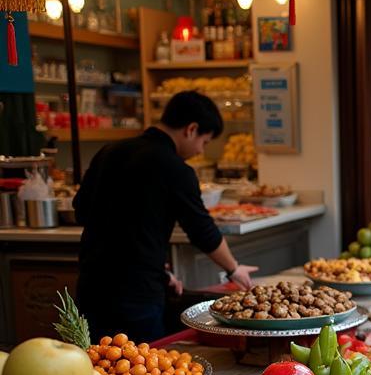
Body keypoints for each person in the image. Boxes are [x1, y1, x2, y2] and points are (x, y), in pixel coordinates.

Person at [75, 90, 257, 342]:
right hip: (137, 296)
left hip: (91, 287)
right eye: (204, 142)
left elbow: (82, 210)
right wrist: (234, 269)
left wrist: (159, 269)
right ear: (191, 129)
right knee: (140, 370)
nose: (199, 151)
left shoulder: (109, 152)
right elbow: (202, 230)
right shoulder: (175, 168)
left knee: (93, 368)